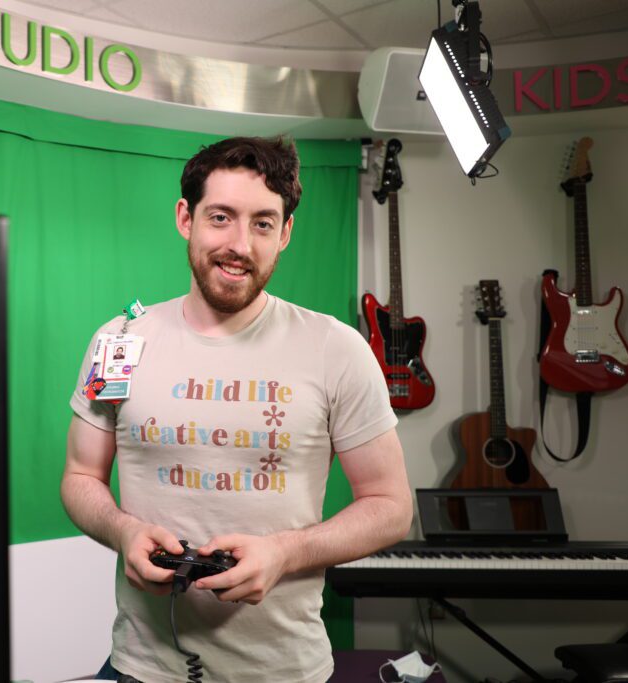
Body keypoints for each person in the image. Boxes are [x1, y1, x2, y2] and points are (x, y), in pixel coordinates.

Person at [61, 136, 412, 683]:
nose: (240, 245)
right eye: (221, 217)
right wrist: (123, 532)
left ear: (286, 233)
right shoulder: (120, 341)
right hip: (139, 666)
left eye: (263, 223)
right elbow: (81, 476)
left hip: (287, 669)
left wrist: (285, 553)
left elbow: (391, 506)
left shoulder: (336, 348)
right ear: (186, 218)